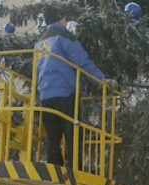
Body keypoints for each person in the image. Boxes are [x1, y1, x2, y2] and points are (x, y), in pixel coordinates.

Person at [35, 5, 106, 170]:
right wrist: (101, 80)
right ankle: (74, 168)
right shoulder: (64, 37)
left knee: (53, 136)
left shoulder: (40, 42)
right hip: (65, 92)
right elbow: (82, 61)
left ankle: (54, 168)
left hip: (45, 95)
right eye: (65, 19)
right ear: (60, 19)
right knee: (73, 132)